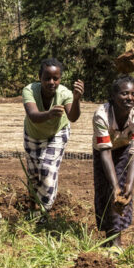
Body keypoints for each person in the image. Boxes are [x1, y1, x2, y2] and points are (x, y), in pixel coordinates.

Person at [22, 59, 84, 218]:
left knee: (47, 169)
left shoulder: (65, 94)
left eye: (55, 78)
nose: (51, 82)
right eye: (47, 78)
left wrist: (76, 99)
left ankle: (43, 213)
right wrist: (49, 114)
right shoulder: (29, 90)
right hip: (33, 134)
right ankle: (31, 207)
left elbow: (73, 117)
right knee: (33, 174)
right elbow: (33, 115)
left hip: (56, 134)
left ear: (60, 79)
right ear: (39, 77)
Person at [92, 76, 134, 247]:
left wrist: (129, 184)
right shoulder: (101, 115)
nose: (130, 98)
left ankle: (116, 242)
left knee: (122, 190)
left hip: (125, 150)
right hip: (103, 151)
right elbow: (105, 151)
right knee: (106, 189)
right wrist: (114, 185)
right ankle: (108, 235)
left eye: (133, 94)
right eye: (124, 93)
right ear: (114, 96)